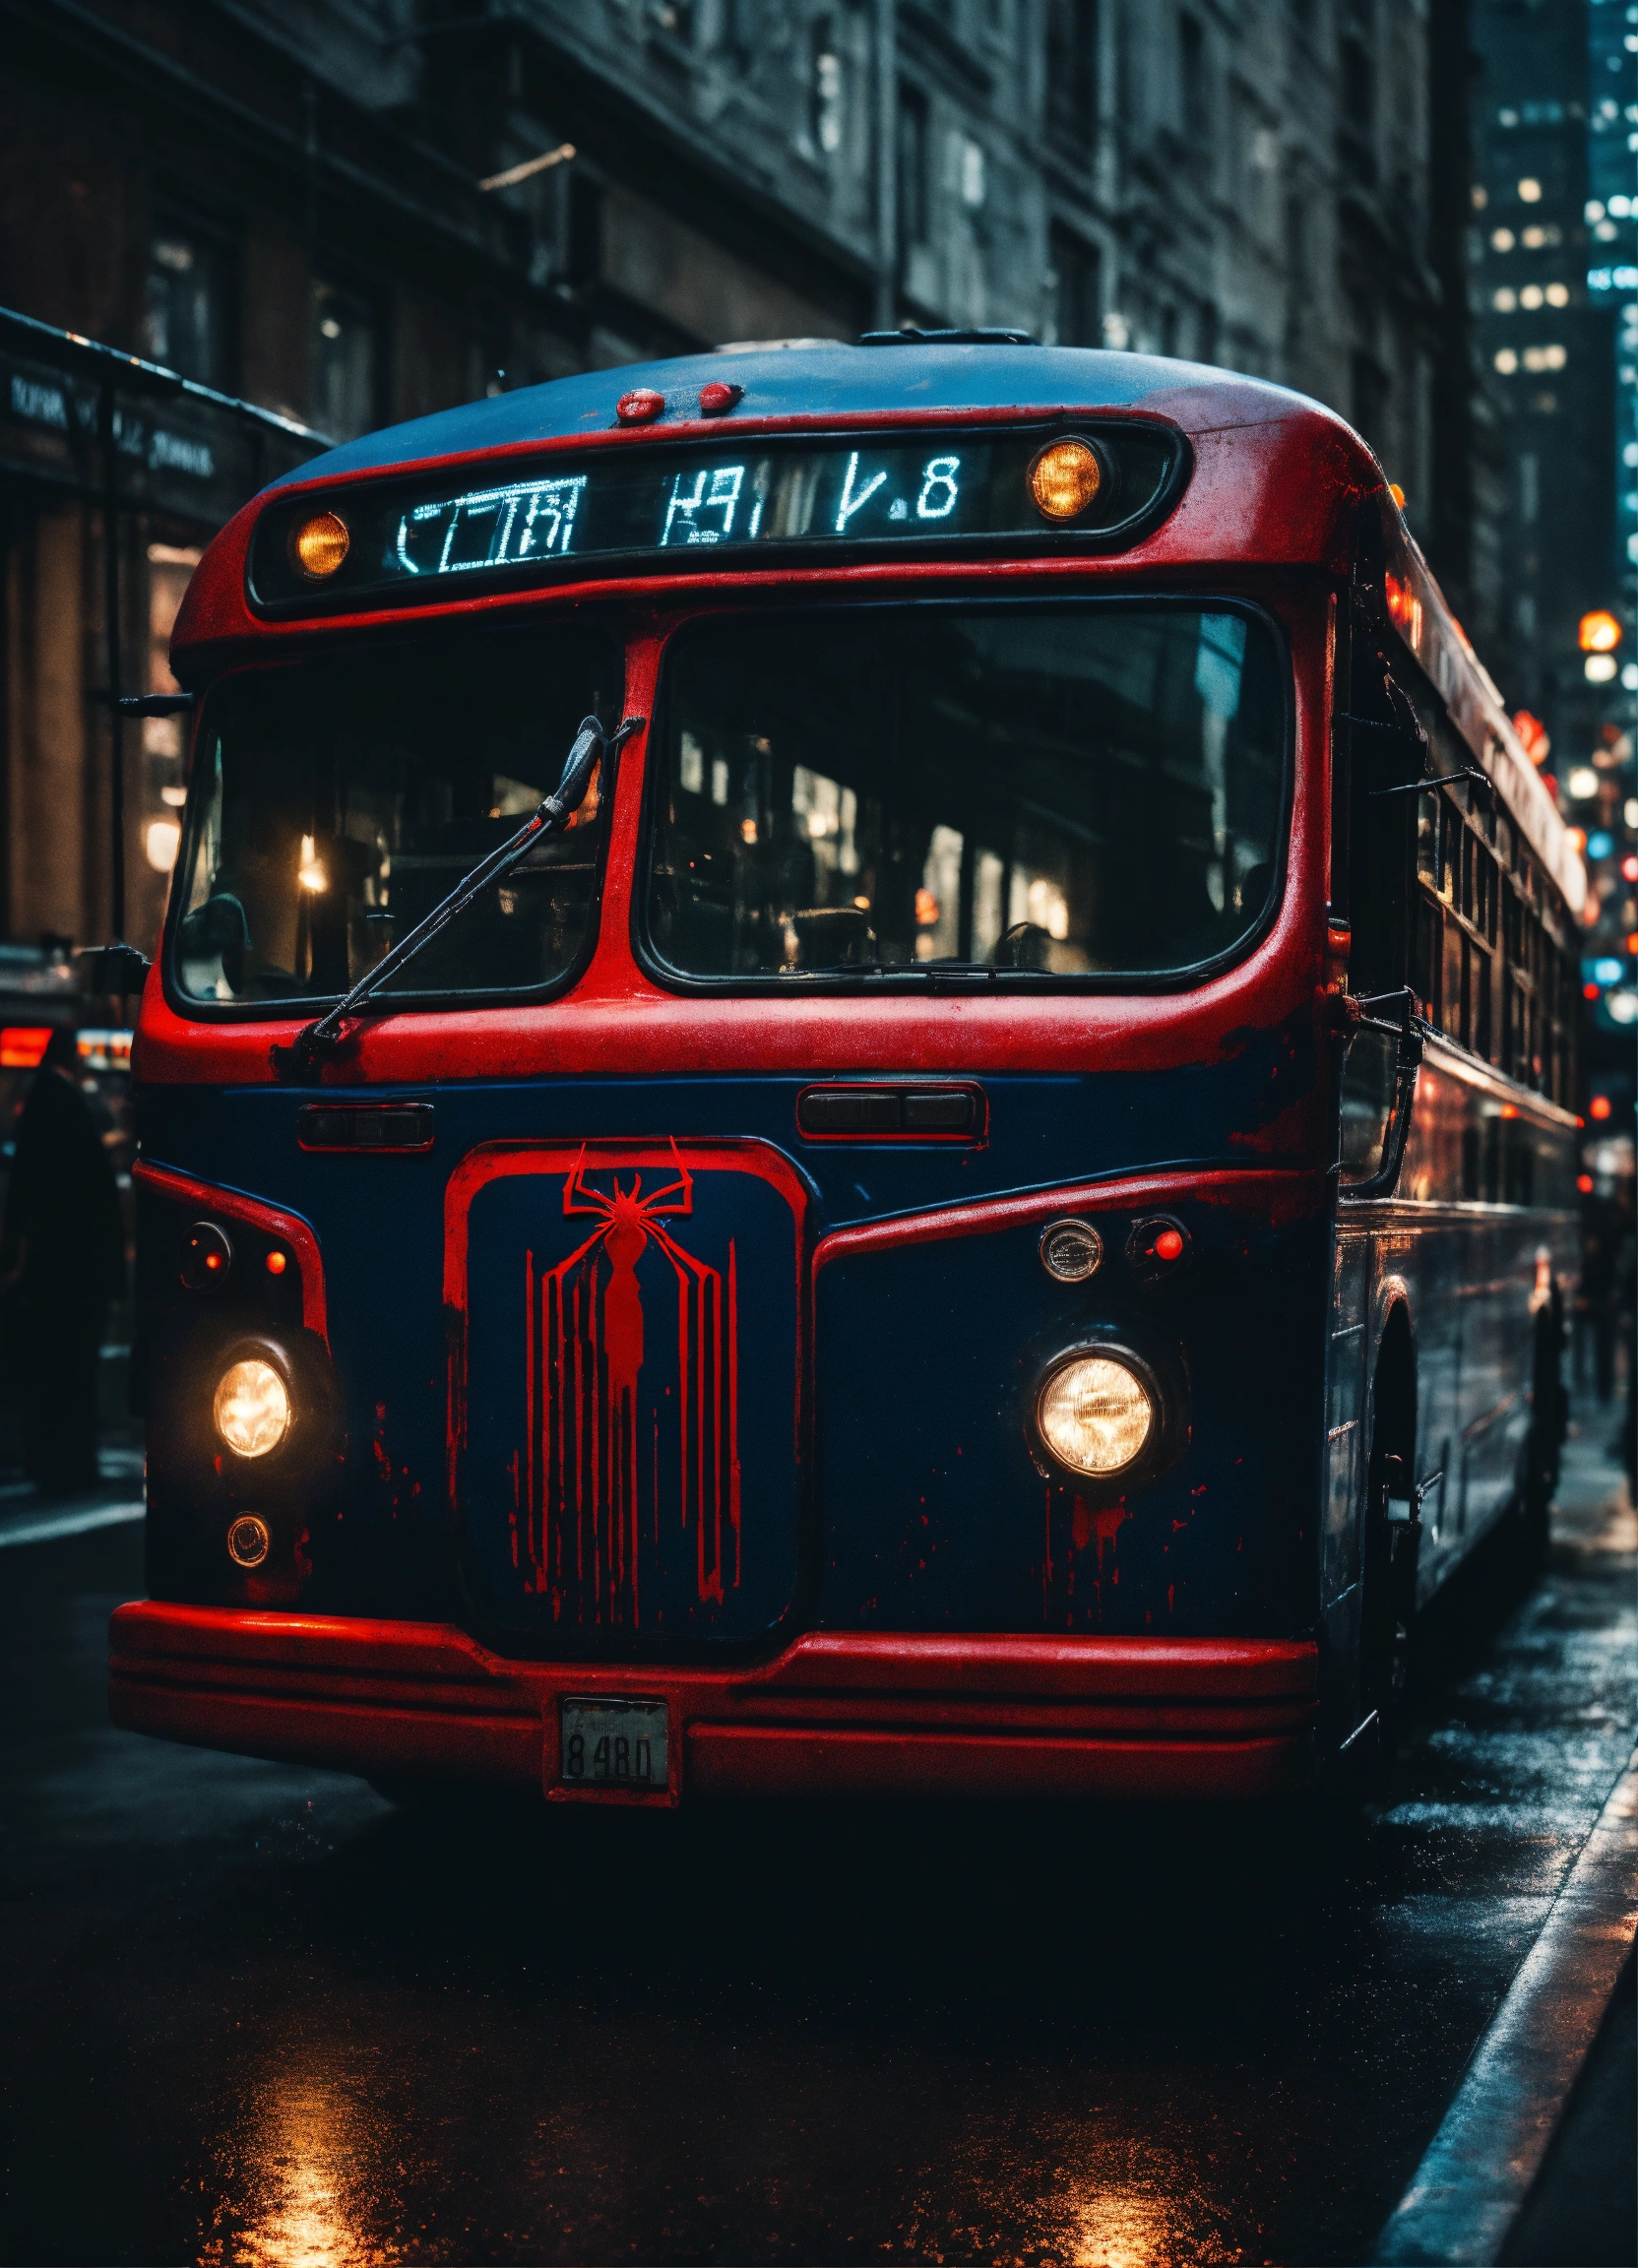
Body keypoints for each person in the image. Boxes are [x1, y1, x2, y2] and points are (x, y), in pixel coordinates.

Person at [0, 1027, 126, 1495]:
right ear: (69, 1055)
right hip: (72, 1269)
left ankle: (50, 1461)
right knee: (72, 1370)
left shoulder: (41, 1101)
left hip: (53, 1266)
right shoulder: (65, 1104)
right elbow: (88, 1193)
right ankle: (68, 1465)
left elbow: (25, 1189)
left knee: (52, 1368)